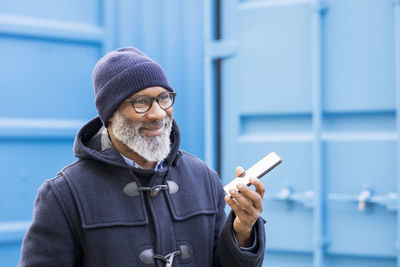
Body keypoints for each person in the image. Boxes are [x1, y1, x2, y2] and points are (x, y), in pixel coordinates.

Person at [18, 47, 266, 267]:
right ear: (111, 114)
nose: (158, 113)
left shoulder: (202, 177)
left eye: (164, 98)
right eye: (141, 102)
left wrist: (242, 231)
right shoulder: (64, 194)